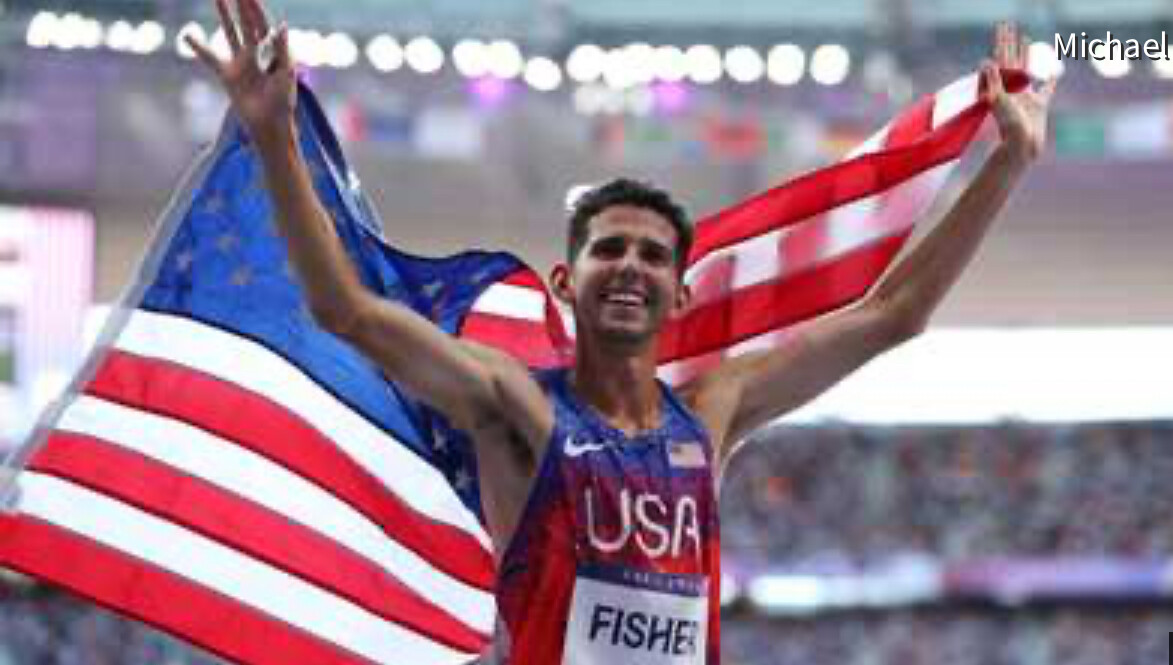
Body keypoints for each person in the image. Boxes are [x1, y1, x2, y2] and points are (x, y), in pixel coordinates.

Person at [187, 2, 1056, 662]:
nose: (631, 265)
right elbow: (347, 310)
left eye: (651, 254)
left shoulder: (712, 410)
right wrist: (275, 138)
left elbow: (892, 313)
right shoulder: (514, 405)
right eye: (609, 249)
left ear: (679, 294)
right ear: (567, 283)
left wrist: (1006, 163)